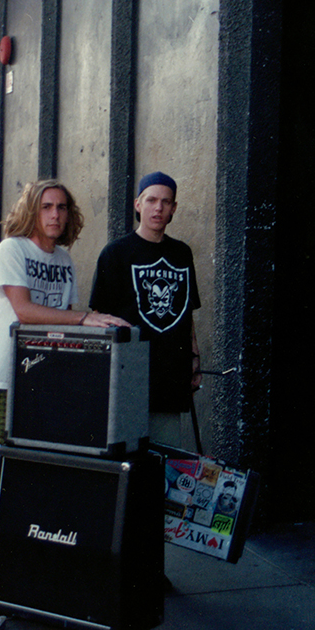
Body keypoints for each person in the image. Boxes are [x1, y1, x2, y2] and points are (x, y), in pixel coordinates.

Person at [0, 179, 130, 620]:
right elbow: (26, 312)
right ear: (32, 210)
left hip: (42, 387)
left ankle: (21, 581)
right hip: (0, 384)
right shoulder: (12, 250)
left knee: (34, 483)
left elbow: (60, 327)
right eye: (47, 206)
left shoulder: (64, 259)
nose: (55, 215)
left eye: (62, 207)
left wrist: (88, 330)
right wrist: (86, 317)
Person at [90, 171, 201, 447]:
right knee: (127, 459)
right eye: (151, 200)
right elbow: (98, 320)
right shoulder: (115, 253)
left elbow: (186, 311)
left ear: (174, 208)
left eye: (166, 202)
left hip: (169, 376)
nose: (158, 208)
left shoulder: (182, 253)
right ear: (138, 204)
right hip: (130, 375)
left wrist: (194, 357)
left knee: (165, 456)